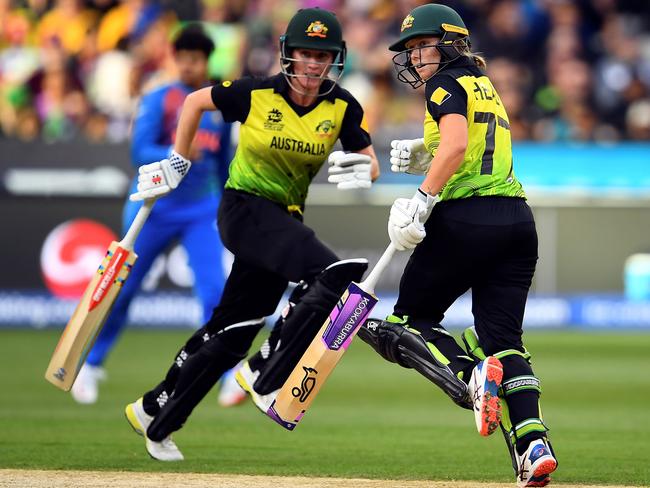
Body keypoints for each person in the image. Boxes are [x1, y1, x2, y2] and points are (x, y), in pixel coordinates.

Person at [123, 7, 380, 461]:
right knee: (335, 272)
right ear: (288, 55)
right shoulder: (256, 93)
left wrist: (365, 170)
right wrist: (179, 161)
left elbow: (369, 158)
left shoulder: (343, 106)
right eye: (305, 54)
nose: (313, 65)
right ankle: (266, 374)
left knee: (233, 329)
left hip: (283, 221)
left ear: (334, 59)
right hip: (243, 208)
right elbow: (193, 102)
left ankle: (155, 412)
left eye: (322, 56)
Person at [356, 4, 558, 488]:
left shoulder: (444, 83)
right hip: (516, 221)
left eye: (418, 47)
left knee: (406, 324)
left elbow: (455, 147)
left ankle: (469, 374)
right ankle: (533, 446)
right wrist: (423, 153)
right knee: (505, 341)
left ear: (447, 43)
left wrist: (421, 200)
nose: (412, 58)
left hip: (467, 218)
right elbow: (469, 144)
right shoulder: (482, 84)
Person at [71, 25, 233, 404]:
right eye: (186, 59)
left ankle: (225, 374)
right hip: (154, 208)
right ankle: (91, 364)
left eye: (198, 60)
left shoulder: (219, 105)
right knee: (122, 291)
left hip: (200, 210)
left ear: (206, 62)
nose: (192, 66)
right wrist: (174, 156)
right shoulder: (160, 99)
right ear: (176, 59)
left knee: (214, 293)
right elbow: (139, 151)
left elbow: (223, 162)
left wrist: (229, 201)